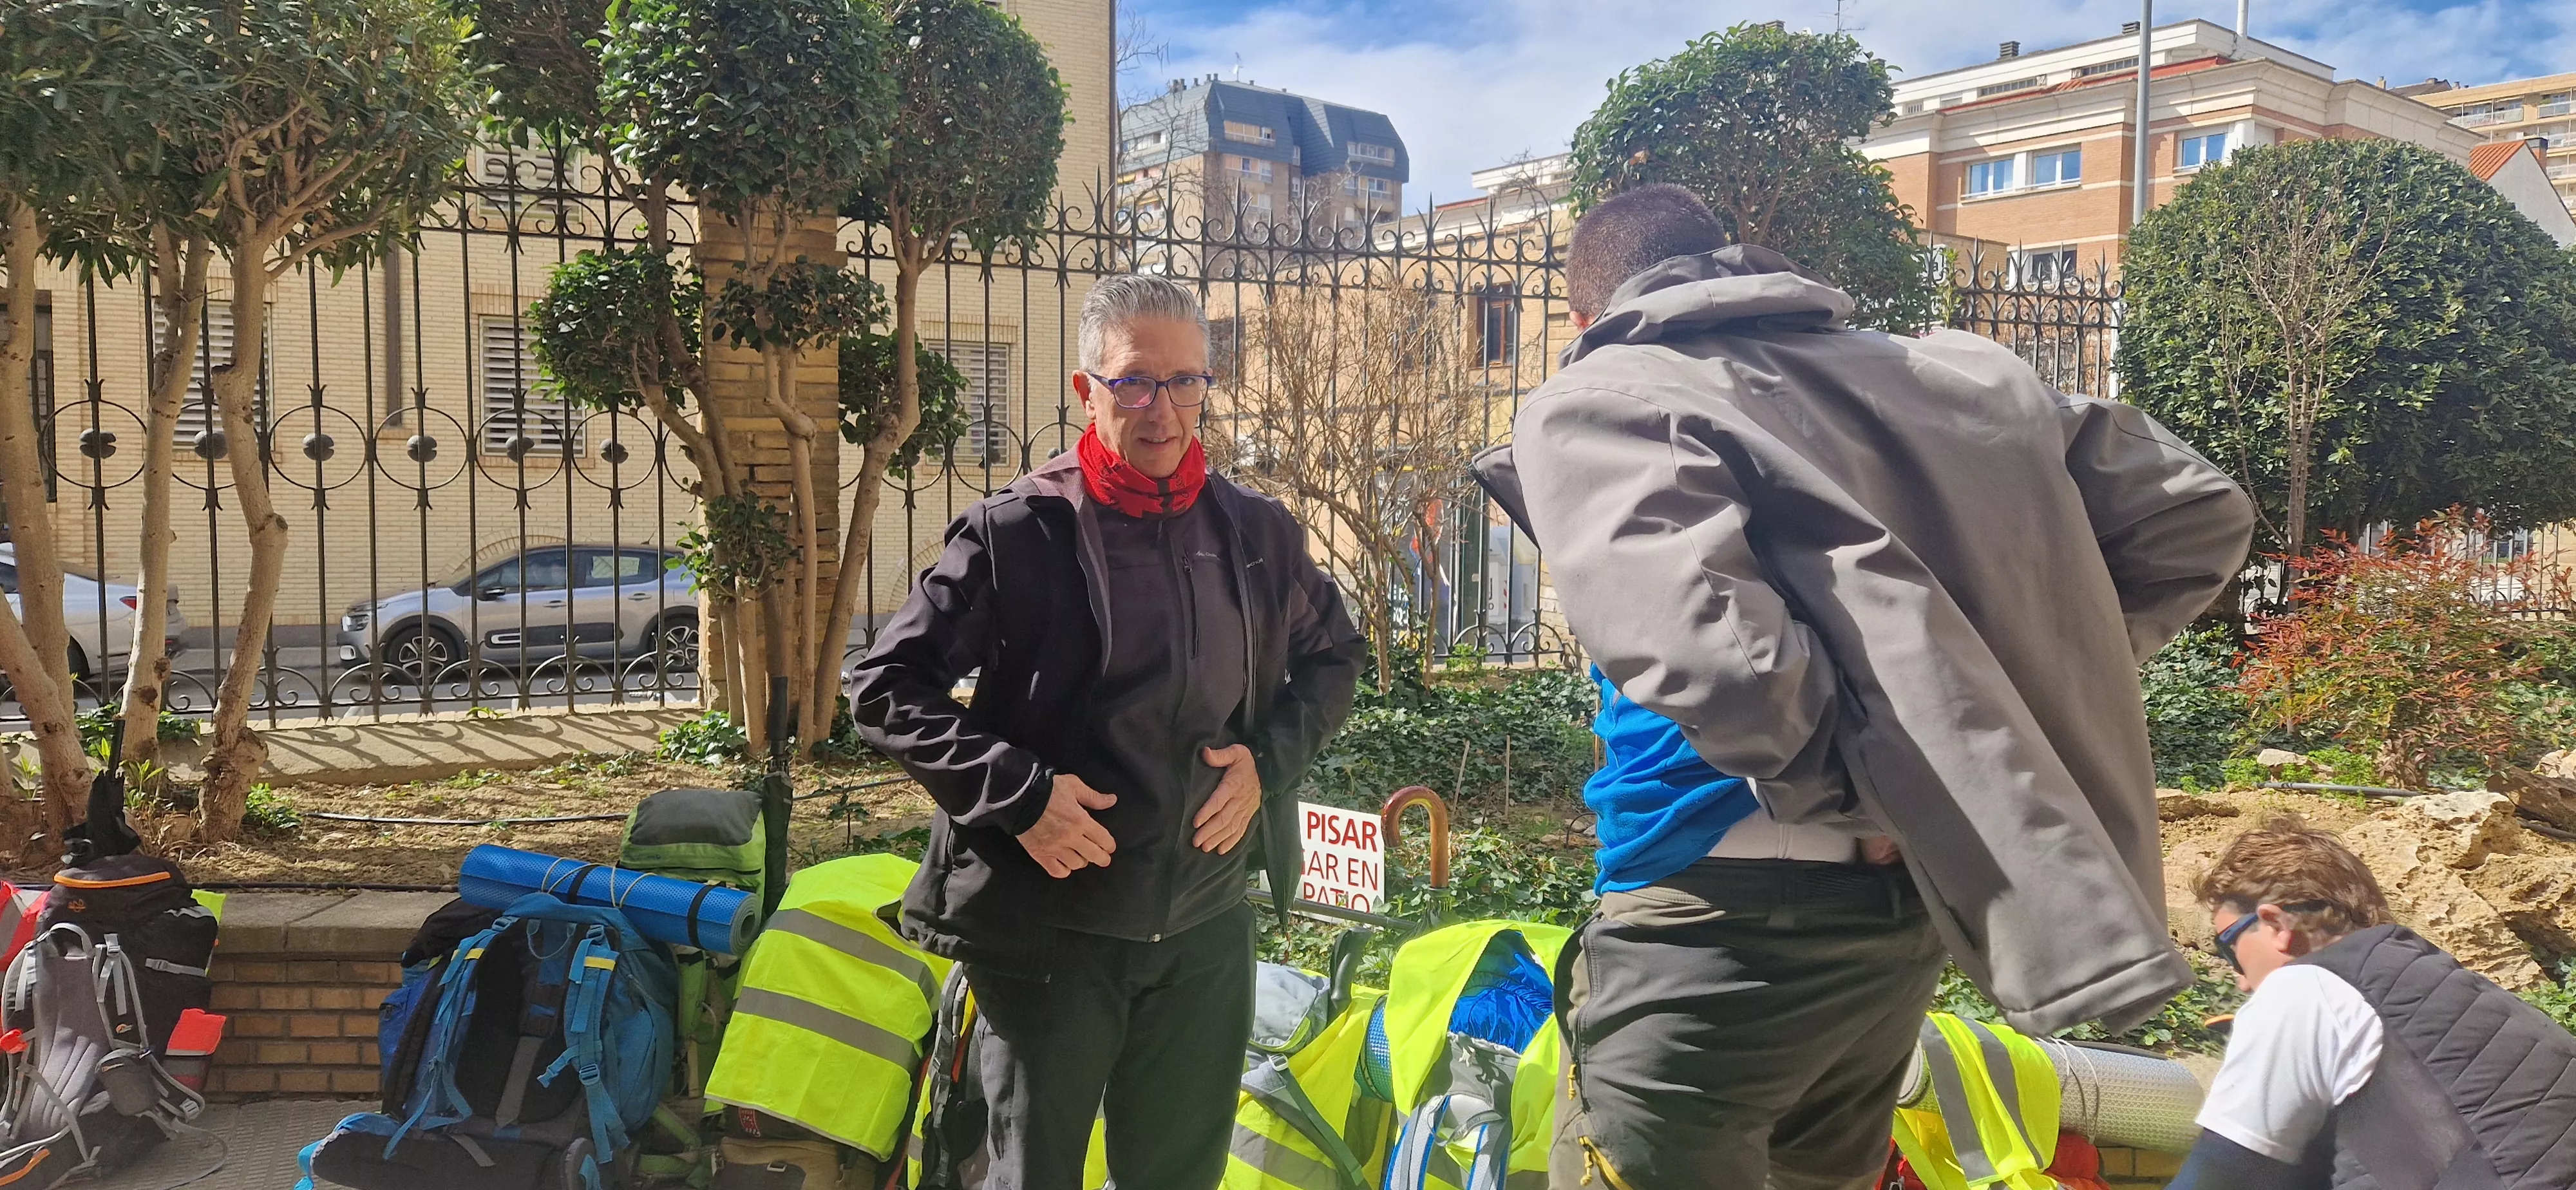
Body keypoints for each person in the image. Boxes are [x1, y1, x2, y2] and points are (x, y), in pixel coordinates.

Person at [1468, 184, 2255, 1189]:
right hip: (1899, 914)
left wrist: (1877, 776)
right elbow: (2195, 513)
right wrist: (1983, 712)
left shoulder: (1611, 392)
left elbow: (1713, 656)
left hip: (1720, 920)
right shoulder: (1937, 377)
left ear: (1586, 319)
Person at [849, 274, 1365, 1189]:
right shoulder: (1017, 534)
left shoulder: (1258, 535)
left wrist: (1267, 764)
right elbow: (885, 688)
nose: (1161, 408)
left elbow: (1335, 659)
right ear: (1088, 391)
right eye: (1133, 382)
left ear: (1208, 385)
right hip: (1050, 941)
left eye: (1184, 382)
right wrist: (1021, 795)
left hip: (1206, 933)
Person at [2171, 817, 2576, 1189]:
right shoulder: (2472, 998)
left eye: (2230, 948)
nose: (2241, 981)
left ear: (2276, 925)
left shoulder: (2306, 987)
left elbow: (2220, 1174)